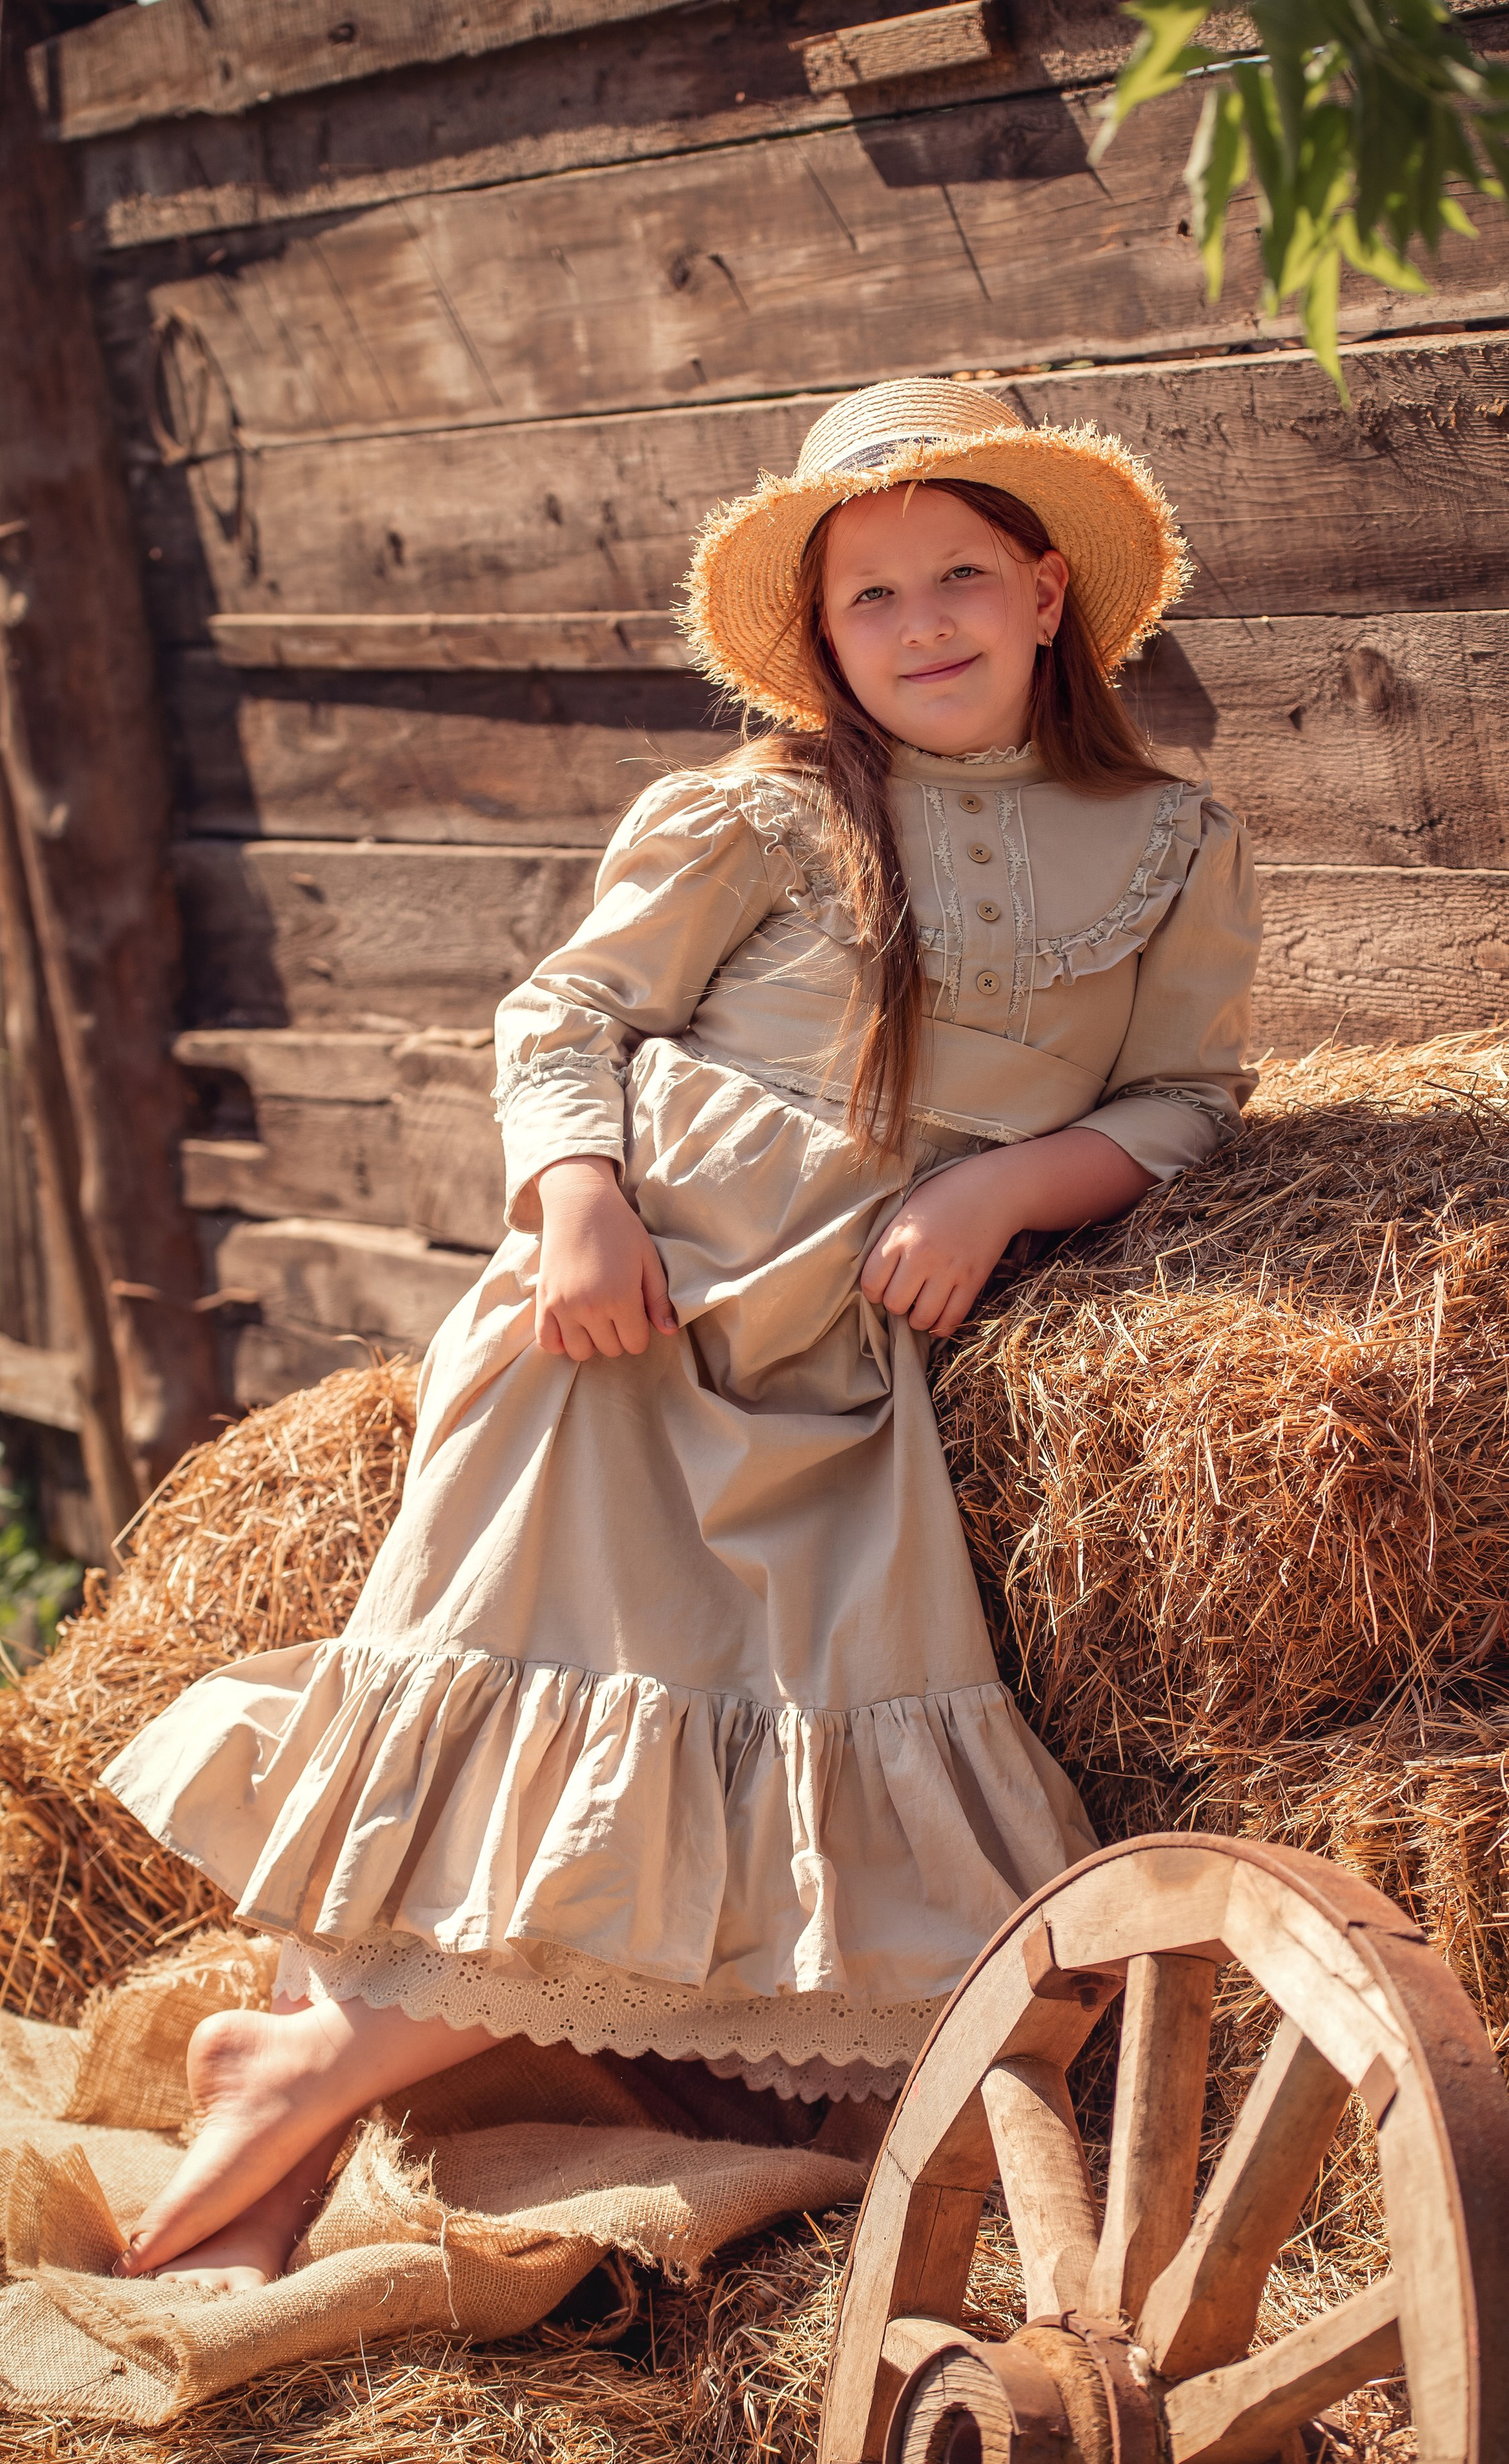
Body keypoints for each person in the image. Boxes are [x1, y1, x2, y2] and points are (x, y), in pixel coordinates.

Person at [101, 376, 1263, 2291]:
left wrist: (999, 1190)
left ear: (1050, 593)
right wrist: (573, 1200)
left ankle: (299, 2069)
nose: (923, 628)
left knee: (790, 1791)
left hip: (837, 1368)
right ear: (821, 644)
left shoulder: (1168, 841)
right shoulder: (765, 814)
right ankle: (289, 2103)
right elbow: (565, 1016)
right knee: (516, 1759)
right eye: (869, 602)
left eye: (959, 577)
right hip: (623, 1337)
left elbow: (1185, 1103)